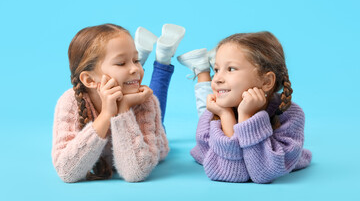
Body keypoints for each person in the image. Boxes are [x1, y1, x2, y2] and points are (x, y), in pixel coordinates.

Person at [52, 23, 185, 183]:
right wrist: (106, 114)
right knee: (137, 85)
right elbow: (66, 172)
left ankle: (163, 58)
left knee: (155, 99)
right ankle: (151, 56)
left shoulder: (145, 101)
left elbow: (135, 172)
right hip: (123, 113)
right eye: (121, 63)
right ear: (89, 79)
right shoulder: (70, 101)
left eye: (136, 60)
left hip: (153, 140)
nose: (136, 69)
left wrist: (123, 109)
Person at [177, 31, 312, 183]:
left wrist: (246, 117)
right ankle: (202, 70)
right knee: (204, 108)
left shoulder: (290, 115)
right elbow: (232, 174)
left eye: (231, 69)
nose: (217, 79)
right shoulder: (210, 117)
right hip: (216, 120)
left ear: (267, 81)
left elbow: (264, 173)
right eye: (216, 70)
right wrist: (226, 115)